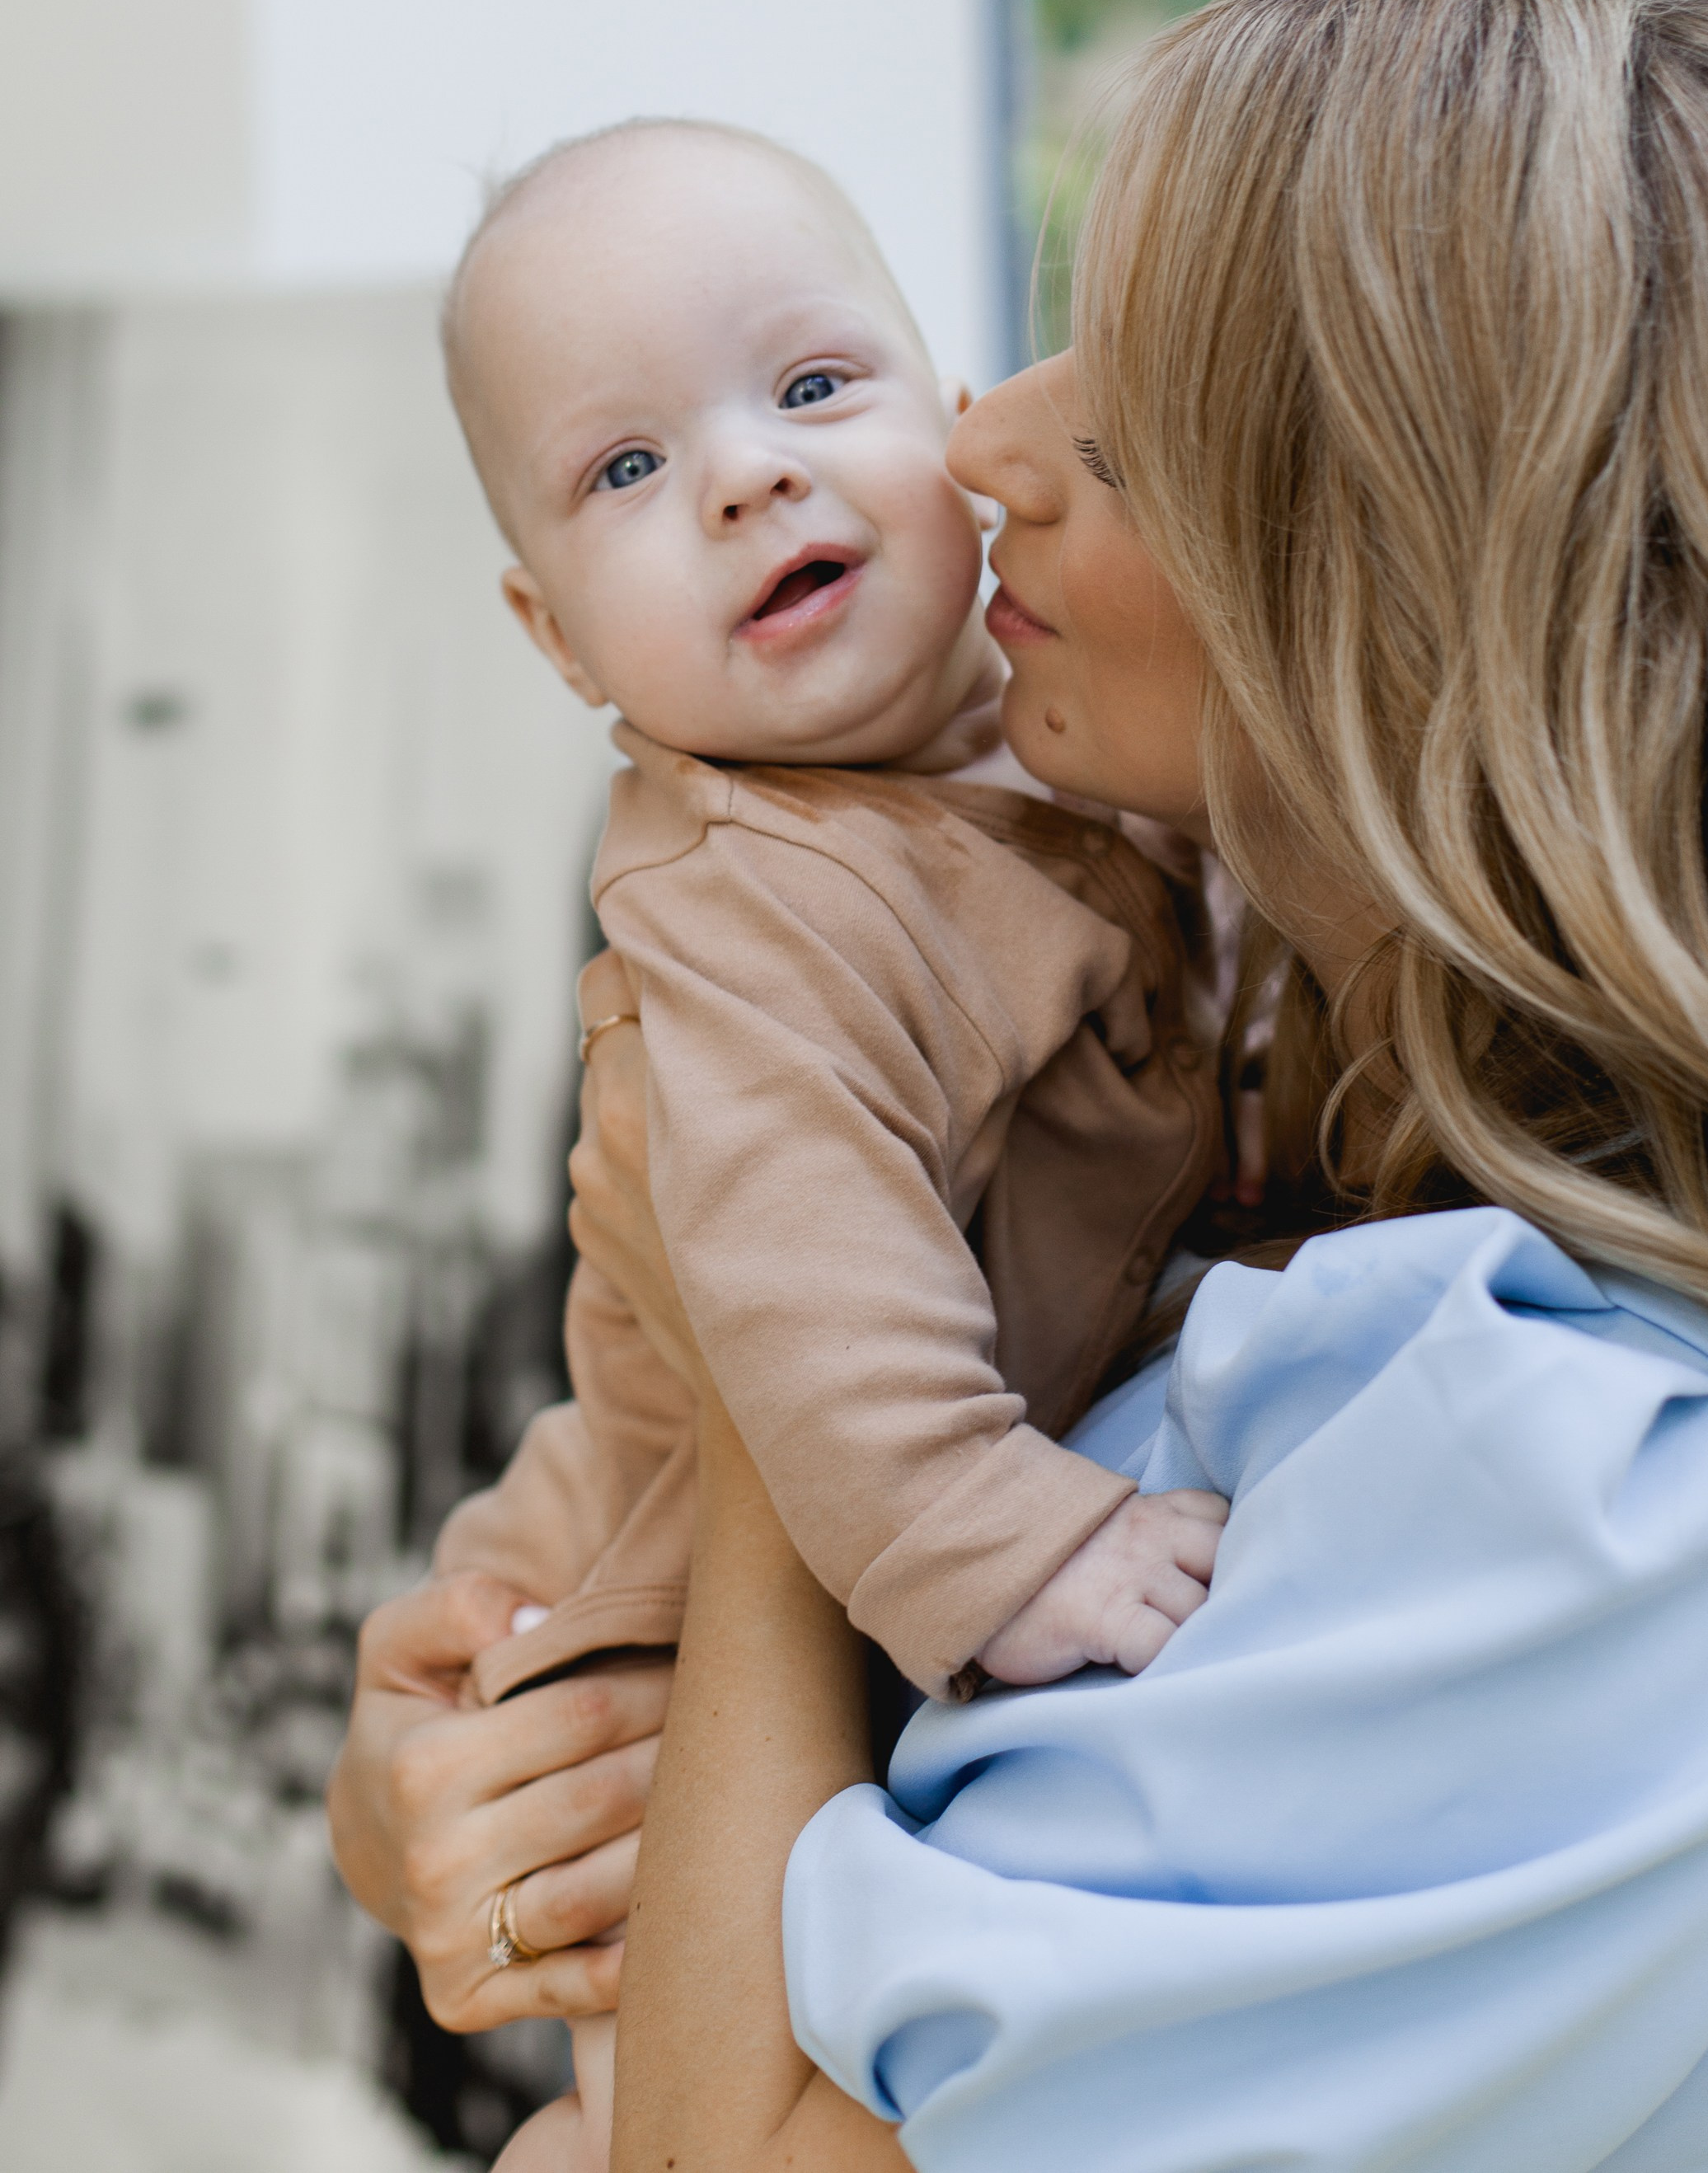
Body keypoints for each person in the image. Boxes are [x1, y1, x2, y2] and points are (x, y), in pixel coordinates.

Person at [331, 0, 1708, 2170]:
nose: (973, 435)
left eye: (1128, 407)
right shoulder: (809, 907)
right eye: (623, 461)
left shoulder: (1580, 1470)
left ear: (1390, 582)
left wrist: (742, 1424)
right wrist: (452, 1754)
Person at [432, 116, 1226, 1719]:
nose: (747, 475)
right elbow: (812, 1276)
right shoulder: (747, 900)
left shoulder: (1057, 723)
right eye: (626, 468)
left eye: (810, 389)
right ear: (558, 634)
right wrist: (998, 1535)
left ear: (955, 437)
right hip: (685, 1596)